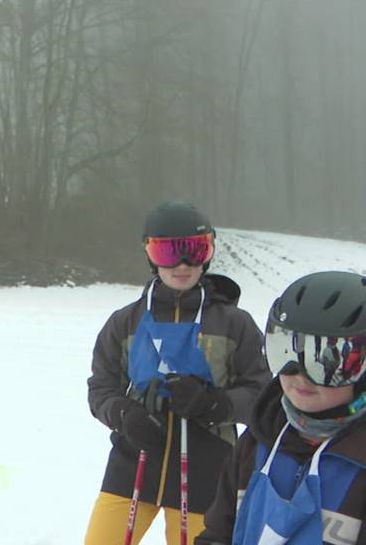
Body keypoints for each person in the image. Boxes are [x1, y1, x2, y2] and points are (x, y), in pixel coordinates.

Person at [85, 201, 271, 545]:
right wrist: (125, 415)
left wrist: (213, 404)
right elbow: (101, 388)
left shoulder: (234, 323)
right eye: (168, 252)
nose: (182, 265)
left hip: (207, 470)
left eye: (195, 251)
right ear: (150, 254)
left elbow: (262, 394)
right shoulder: (125, 321)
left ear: (209, 253)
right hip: (134, 462)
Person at [196, 271, 366, 545]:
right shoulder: (257, 440)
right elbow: (218, 533)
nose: (299, 375)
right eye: (286, 352)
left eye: (325, 361)